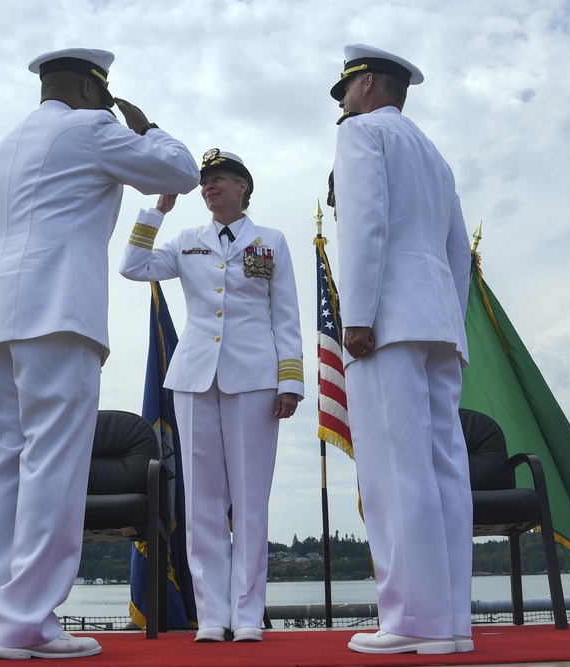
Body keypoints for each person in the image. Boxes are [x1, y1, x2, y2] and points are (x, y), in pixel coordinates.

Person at [0, 47, 199, 660]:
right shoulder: (92, 128)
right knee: (54, 463)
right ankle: (28, 622)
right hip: (57, 314)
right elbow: (178, 172)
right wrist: (145, 127)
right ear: (95, 91)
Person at [119, 149, 303, 643]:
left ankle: (247, 615)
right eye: (204, 183)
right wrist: (157, 209)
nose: (209, 188)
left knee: (249, 501)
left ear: (244, 186)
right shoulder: (186, 241)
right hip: (196, 376)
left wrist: (291, 382)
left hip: (255, 378)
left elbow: (285, 314)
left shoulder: (271, 241)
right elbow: (133, 266)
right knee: (201, 499)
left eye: (219, 179)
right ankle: (213, 613)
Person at [330, 44, 473, 655]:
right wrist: (449, 317)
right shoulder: (433, 152)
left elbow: (364, 224)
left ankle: (410, 620)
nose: (342, 105)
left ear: (364, 86)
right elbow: (458, 250)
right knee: (445, 468)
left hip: (386, 317)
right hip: (437, 317)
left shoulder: (361, 134)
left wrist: (357, 316)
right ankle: (452, 625)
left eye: (345, 93)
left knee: (394, 469)